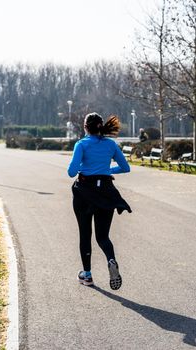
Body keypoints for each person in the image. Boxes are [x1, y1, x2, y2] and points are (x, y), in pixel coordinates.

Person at [67, 112, 132, 290]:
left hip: (84, 192)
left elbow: (71, 172)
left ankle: (87, 275)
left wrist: (84, 167)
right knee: (103, 236)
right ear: (100, 127)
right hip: (105, 191)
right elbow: (125, 168)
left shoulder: (81, 144)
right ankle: (111, 259)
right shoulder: (111, 145)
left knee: (85, 233)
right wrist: (105, 169)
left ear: (85, 127)